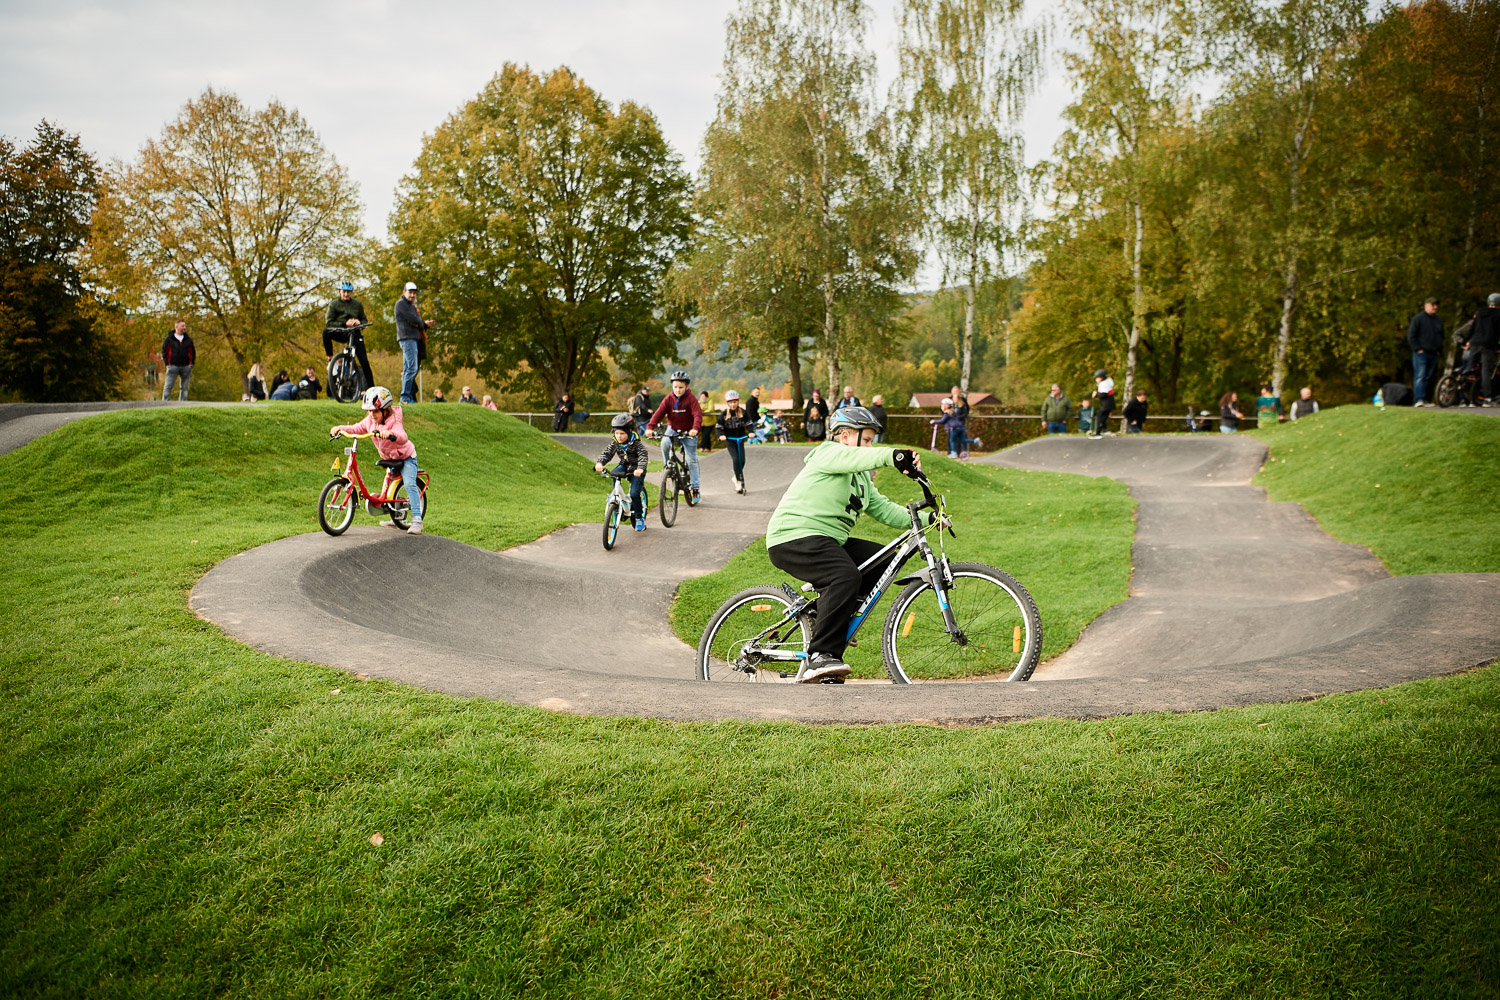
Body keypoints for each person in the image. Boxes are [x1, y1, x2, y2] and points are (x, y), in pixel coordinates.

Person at [765, 406, 922, 683]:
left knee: (885, 560)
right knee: (845, 575)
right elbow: (857, 457)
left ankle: (832, 616)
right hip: (793, 536)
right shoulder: (827, 453)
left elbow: (884, 509)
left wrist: (925, 516)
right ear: (846, 436)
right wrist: (893, 455)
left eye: (872, 442)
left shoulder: (861, 477)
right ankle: (821, 655)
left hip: (827, 540)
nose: (870, 446)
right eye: (867, 440)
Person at [331, 386, 424, 534]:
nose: (372, 415)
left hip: (406, 457)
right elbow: (356, 428)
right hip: (390, 458)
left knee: (409, 484)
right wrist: (339, 428)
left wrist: (391, 434)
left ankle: (417, 520)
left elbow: (402, 436)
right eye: (369, 411)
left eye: (375, 411)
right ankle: (395, 516)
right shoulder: (370, 421)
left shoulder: (394, 421)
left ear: (385, 410)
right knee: (387, 492)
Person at [646, 369, 704, 501]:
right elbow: (659, 413)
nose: (678, 390)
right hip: (673, 428)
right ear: (672, 386)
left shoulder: (691, 399)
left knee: (691, 461)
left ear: (687, 387)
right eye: (675, 387)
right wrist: (650, 427)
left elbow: (697, 415)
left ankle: (695, 491)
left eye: (681, 387)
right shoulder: (668, 399)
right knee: (665, 443)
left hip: (689, 430)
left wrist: (695, 429)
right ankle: (668, 466)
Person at [595, 412, 651, 531]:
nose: (619, 436)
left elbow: (643, 456)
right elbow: (607, 453)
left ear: (629, 431)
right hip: (624, 465)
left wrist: (640, 468)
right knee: (614, 474)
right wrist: (600, 463)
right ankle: (617, 496)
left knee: (635, 493)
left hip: (636, 468)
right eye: (616, 433)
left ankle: (639, 518)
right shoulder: (616, 442)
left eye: (622, 433)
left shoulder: (636, 443)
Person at [324, 280, 375, 391]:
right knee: (325, 332)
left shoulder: (357, 305)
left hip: (355, 332)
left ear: (351, 292)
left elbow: (364, 319)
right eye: (344, 292)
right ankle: (330, 358)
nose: (346, 294)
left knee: (364, 361)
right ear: (339, 292)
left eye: (348, 292)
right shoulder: (333, 305)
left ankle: (371, 388)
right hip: (340, 331)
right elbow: (329, 323)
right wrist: (344, 323)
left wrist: (359, 323)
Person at [394, 281, 433, 405]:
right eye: (410, 292)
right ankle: (405, 397)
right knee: (411, 368)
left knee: (409, 368)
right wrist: (421, 323)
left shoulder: (410, 306)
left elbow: (416, 321)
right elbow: (412, 319)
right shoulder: (401, 304)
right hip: (407, 338)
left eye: (414, 293)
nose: (412, 295)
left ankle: (406, 396)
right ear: (404, 292)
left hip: (413, 339)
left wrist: (420, 323)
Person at [1408, 296, 1444, 406]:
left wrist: (1439, 350)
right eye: (1433, 305)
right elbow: (1411, 335)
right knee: (1420, 376)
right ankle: (1419, 399)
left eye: (1436, 305)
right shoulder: (1418, 319)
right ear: (1426, 306)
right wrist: (1417, 349)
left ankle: (1427, 400)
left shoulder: (1438, 321)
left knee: (1430, 377)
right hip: (1421, 353)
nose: (1435, 307)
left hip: (1433, 353)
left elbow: (1441, 336)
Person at [718, 389, 754, 494]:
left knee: (742, 460)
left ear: (738, 402)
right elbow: (719, 426)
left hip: (740, 439)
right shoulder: (724, 414)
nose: (733, 404)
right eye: (731, 402)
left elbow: (749, 423)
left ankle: (735, 475)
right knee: (735, 459)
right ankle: (739, 481)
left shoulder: (743, 412)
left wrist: (751, 432)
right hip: (730, 440)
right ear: (728, 403)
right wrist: (721, 435)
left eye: (735, 402)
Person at [1466, 293, 1499, 405]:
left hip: (1475, 343)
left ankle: (1459, 387)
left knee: (1469, 368)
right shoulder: (1498, 314)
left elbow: (1472, 329)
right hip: (1488, 345)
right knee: (1486, 371)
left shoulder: (1480, 313)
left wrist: (1465, 341)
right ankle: (1487, 397)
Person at [161, 319, 195, 401]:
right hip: (172, 366)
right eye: (182, 326)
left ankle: (182, 405)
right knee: (168, 386)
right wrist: (168, 363)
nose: (185, 327)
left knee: (184, 388)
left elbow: (192, 352)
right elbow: (164, 351)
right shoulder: (169, 339)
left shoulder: (188, 340)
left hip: (186, 366)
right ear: (176, 327)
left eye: (185, 326)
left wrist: (191, 364)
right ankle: (164, 404)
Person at [1089, 369, 1115, 438]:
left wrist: (1096, 394)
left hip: (1106, 405)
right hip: (1108, 404)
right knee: (1102, 417)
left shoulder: (1104, 384)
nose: (1096, 380)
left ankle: (1098, 433)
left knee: (1100, 418)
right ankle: (1105, 430)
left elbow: (1103, 395)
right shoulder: (1107, 382)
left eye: (1097, 378)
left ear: (1101, 378)